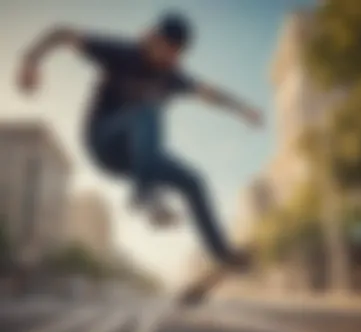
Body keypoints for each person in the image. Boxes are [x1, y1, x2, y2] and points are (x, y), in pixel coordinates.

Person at [17, 13, 263, 271]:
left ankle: (222, 253)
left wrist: (242, 109)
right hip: (103, 142)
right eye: (167, 49)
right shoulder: (123, 53)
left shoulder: (173, 76)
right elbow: (63, 33)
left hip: (140, 159)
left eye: (177, 53)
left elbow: (209, 93)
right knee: (147, 110)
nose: (170, 59)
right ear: (153, 39)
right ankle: (144, 196)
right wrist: (30, 60)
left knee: (194, 181)